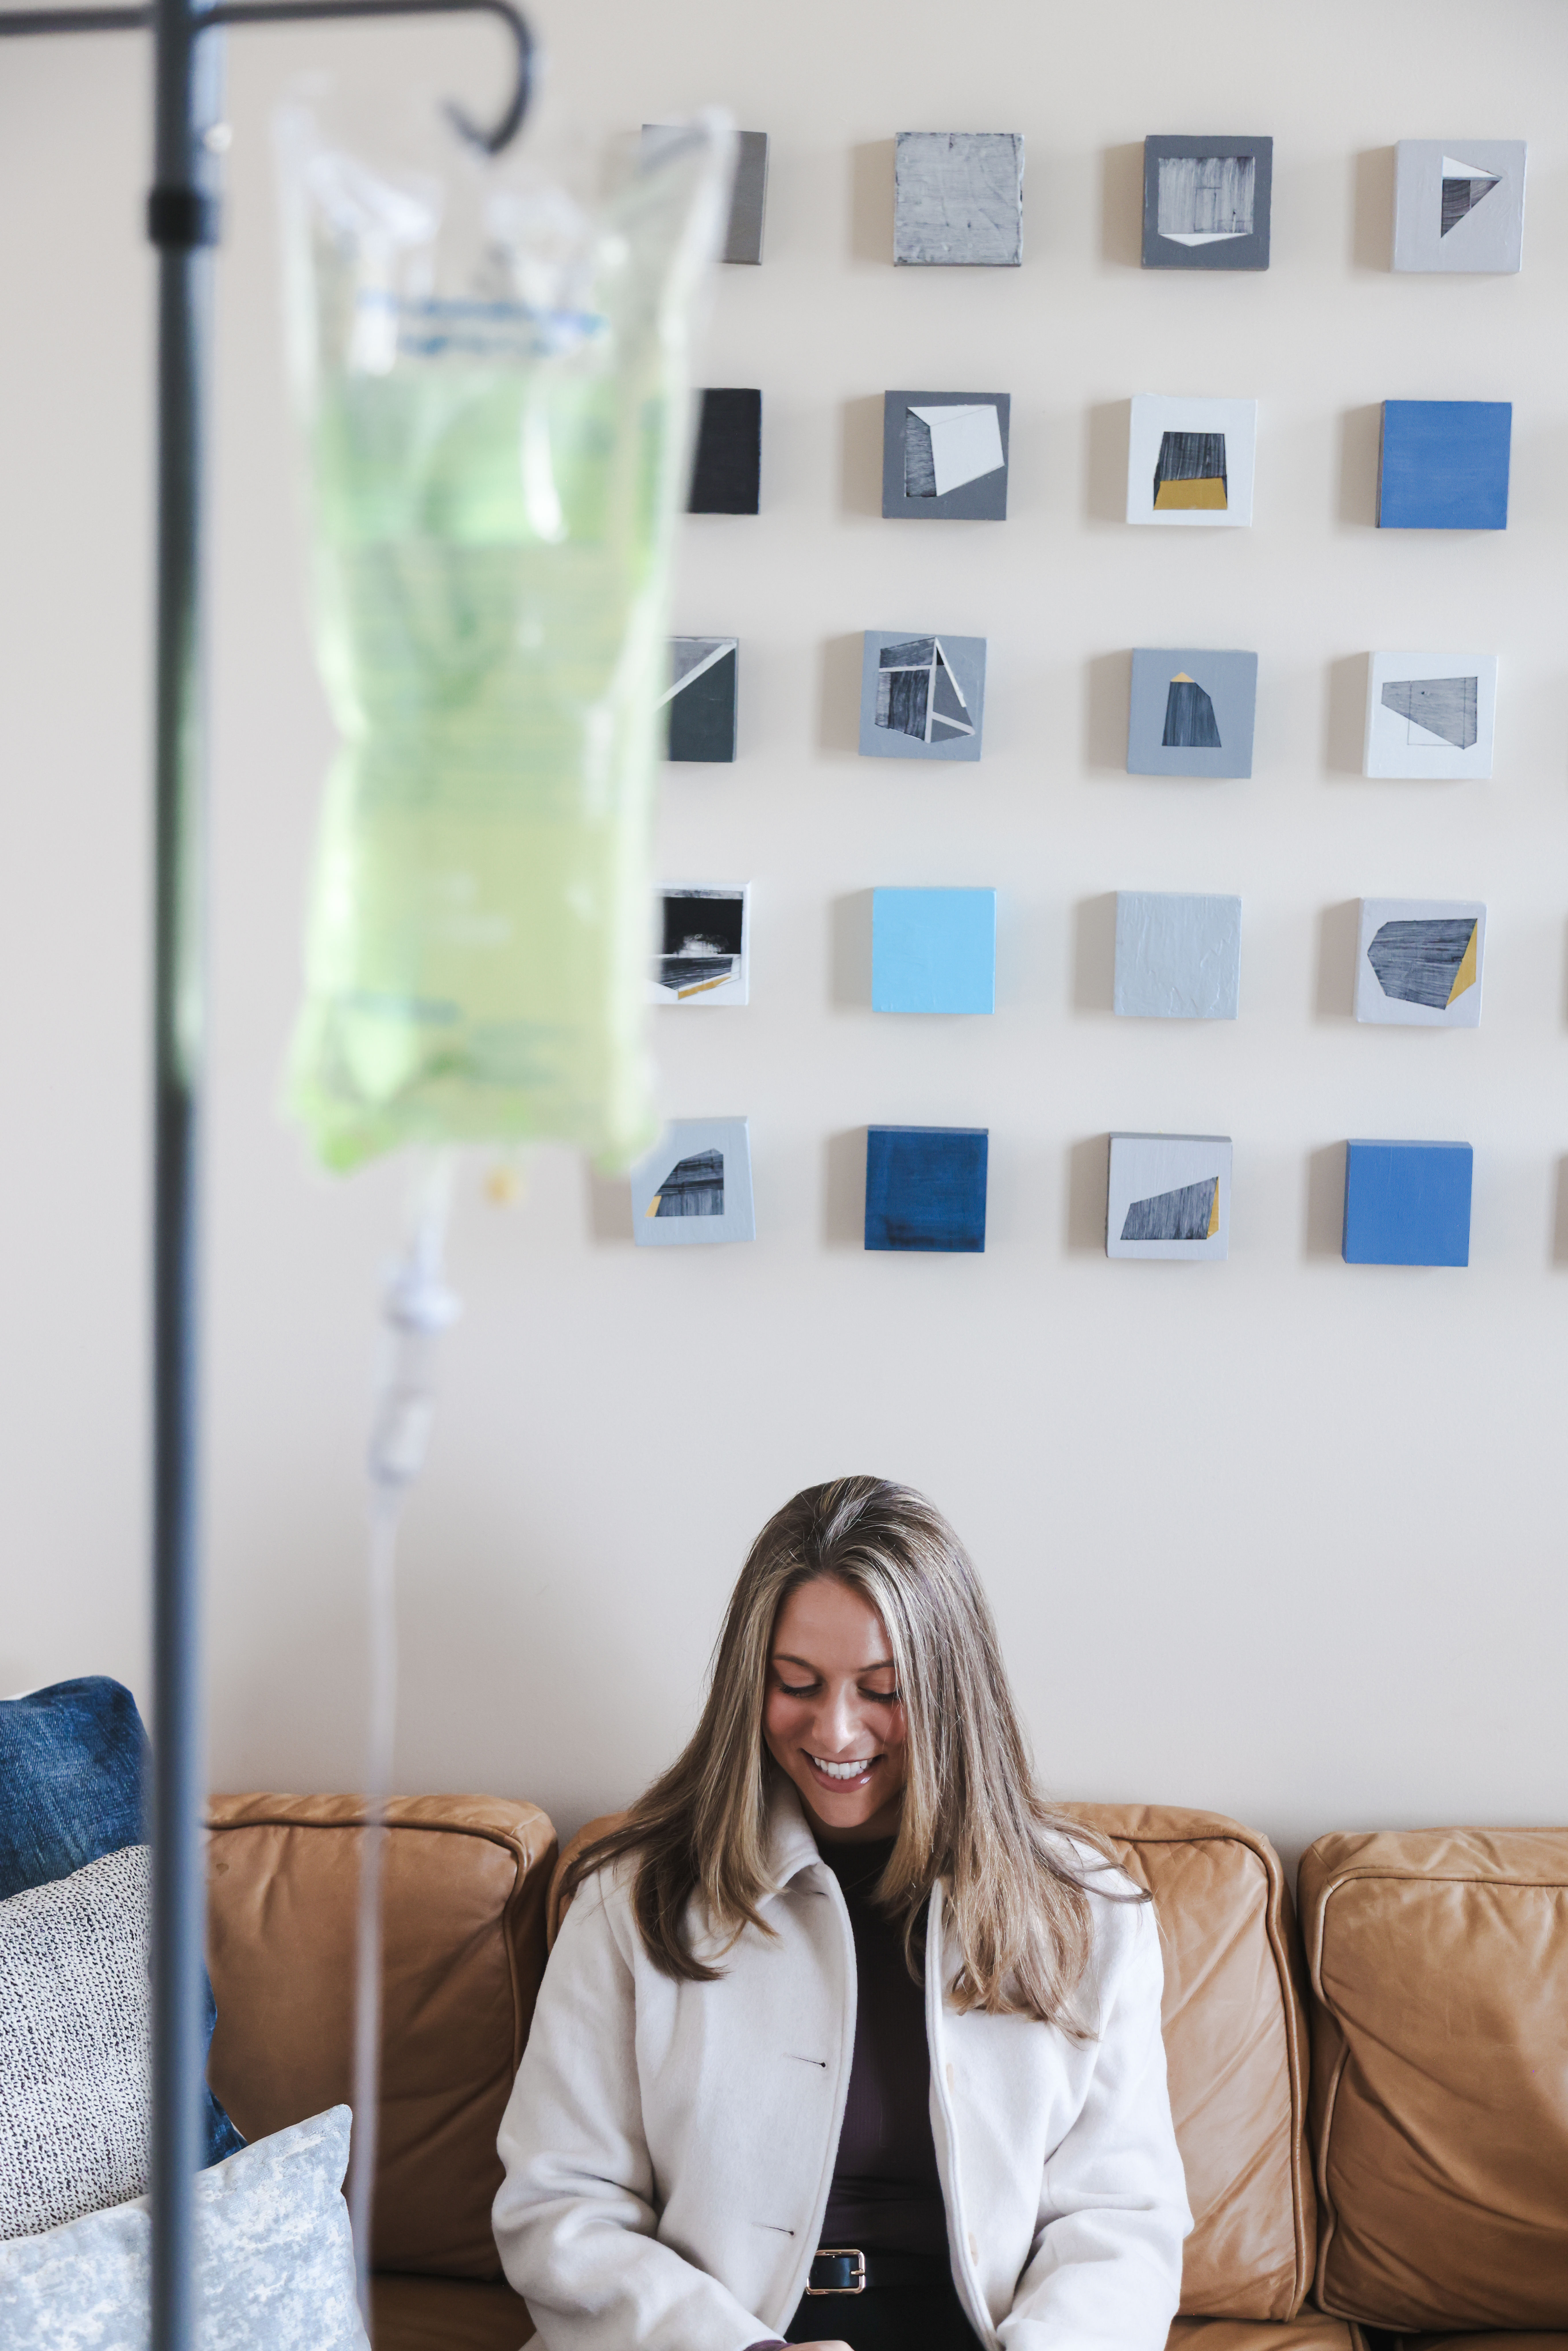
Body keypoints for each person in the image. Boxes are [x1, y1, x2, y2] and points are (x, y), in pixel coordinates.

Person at [493, 1477, 1191, 2351]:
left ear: (950, 1695)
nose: (835, 1732)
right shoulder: (633, 1900)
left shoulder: (1084, 1912)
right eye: (797, 1683)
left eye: (882, 1690)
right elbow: (560, 2209)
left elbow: (1122, 2226)